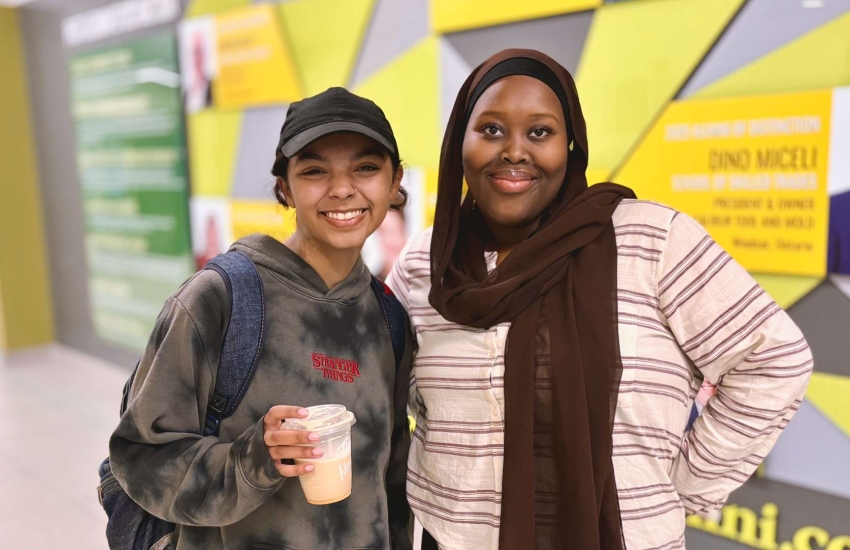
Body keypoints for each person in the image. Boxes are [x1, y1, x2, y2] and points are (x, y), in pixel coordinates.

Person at [386, 50, 812, 550]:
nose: (514, 151)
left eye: (539, 132)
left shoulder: (652, 241)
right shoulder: (426, 263)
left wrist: (685, 484)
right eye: (492, 130)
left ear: (571, 144)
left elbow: (773, 359)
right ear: (459, 141)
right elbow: (407, 398)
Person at [110, 87, 414, 550]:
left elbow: (392, 483)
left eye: (366, 168)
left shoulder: (388, 318)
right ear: (285, 188)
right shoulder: (221, 300)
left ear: (394, 183)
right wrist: (253, 458)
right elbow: (139, 456)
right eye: (314, 171)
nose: (342, 188)